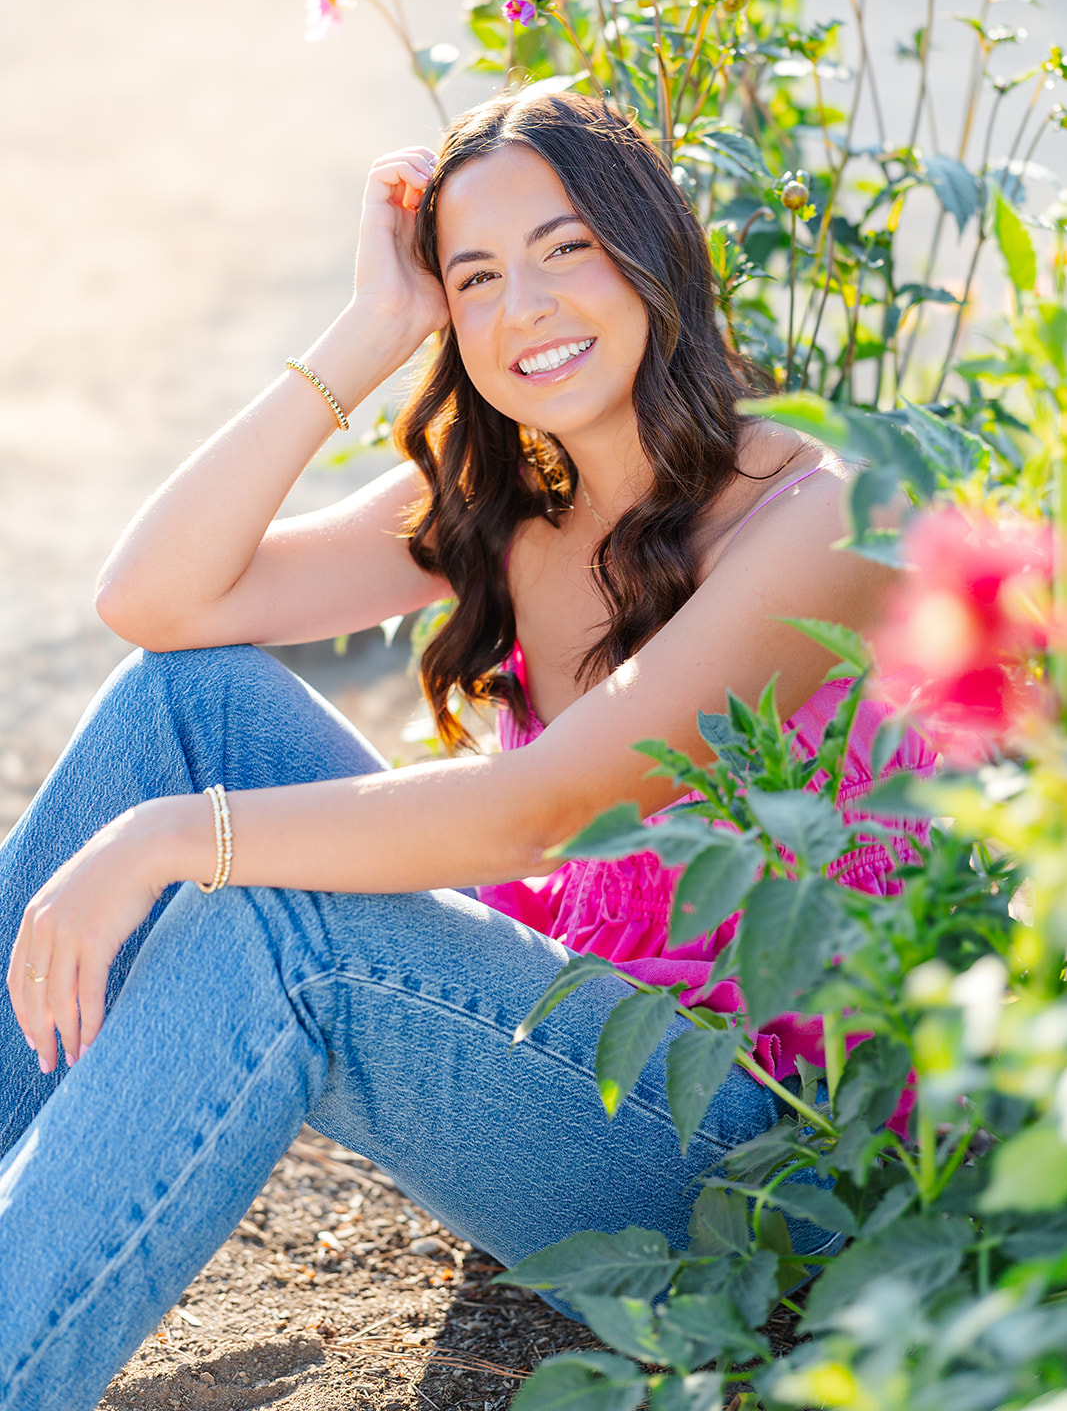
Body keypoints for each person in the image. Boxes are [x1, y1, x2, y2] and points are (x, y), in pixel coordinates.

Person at [0, 91, 932, 1408]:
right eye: (475, 278)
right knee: (182, 706)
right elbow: (157, 605)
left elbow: (533, 809)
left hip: (771, 1166)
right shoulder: (512, 494)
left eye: (565, 250)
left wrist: (165, 841)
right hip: (576, 1057)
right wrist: (368, 330)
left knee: (265, 921)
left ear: (651, 245)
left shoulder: (814, 513)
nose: (526, 309)